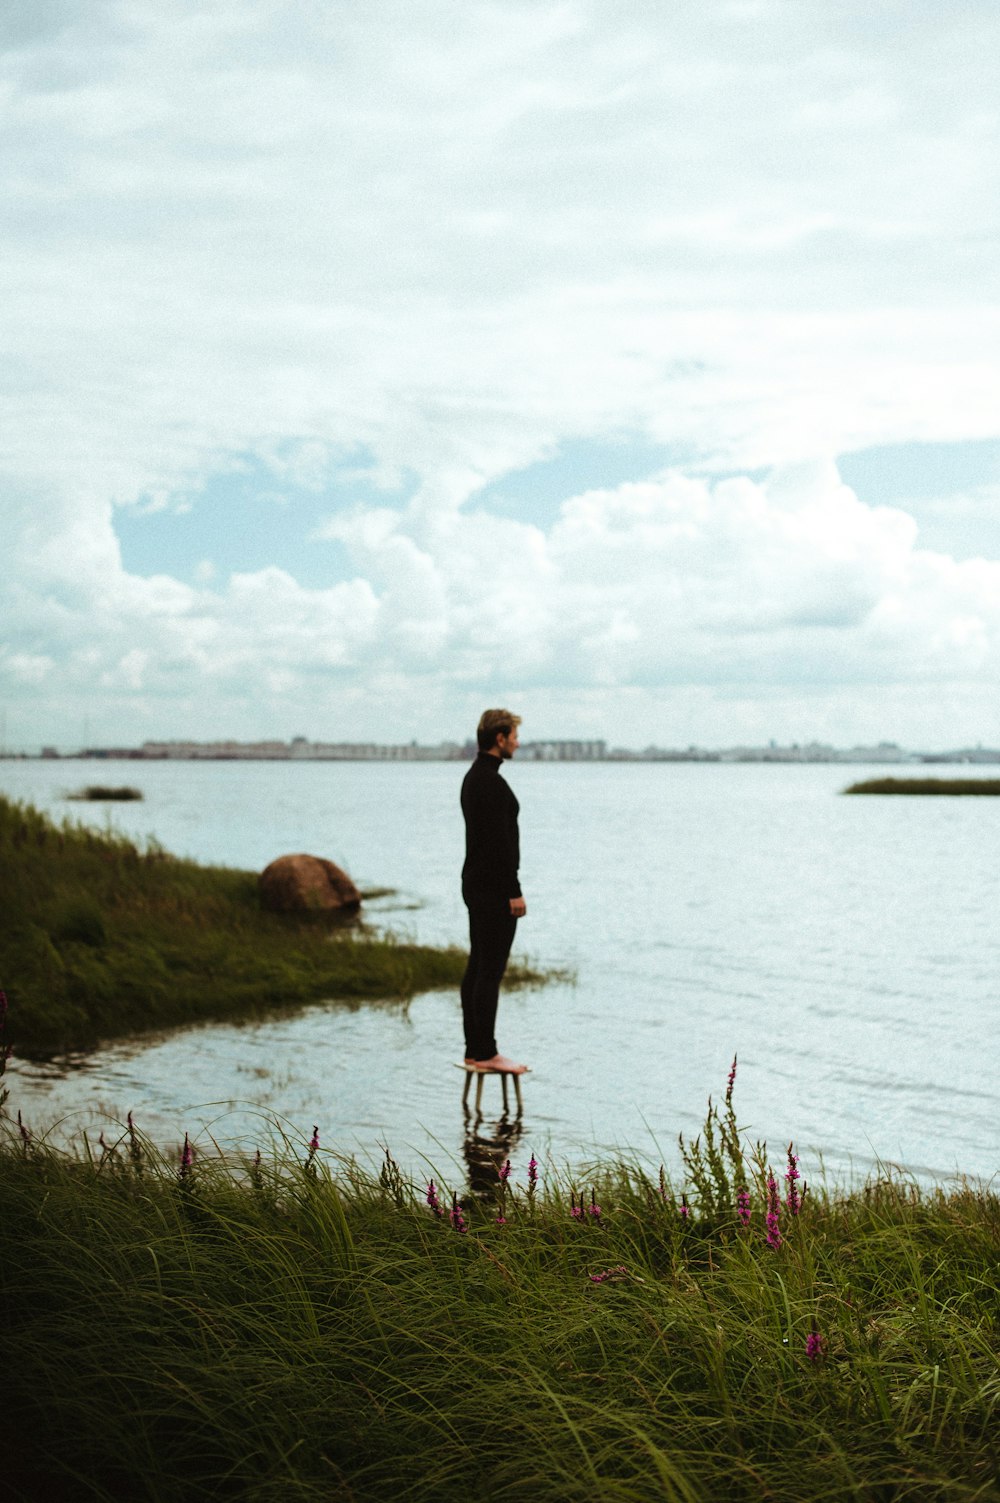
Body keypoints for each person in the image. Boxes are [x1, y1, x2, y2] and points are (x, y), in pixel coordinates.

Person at [460, 708, 528, 1073]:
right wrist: (513, 891)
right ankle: (485, 1051)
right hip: (493, 890)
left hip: (475, 884)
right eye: (514, 735)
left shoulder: (474, 778)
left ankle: (476, 1048)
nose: (518, 742)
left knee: (477, 966)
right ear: (500, 738)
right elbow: (500, 845)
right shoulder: (490, 783)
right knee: (490, 970)